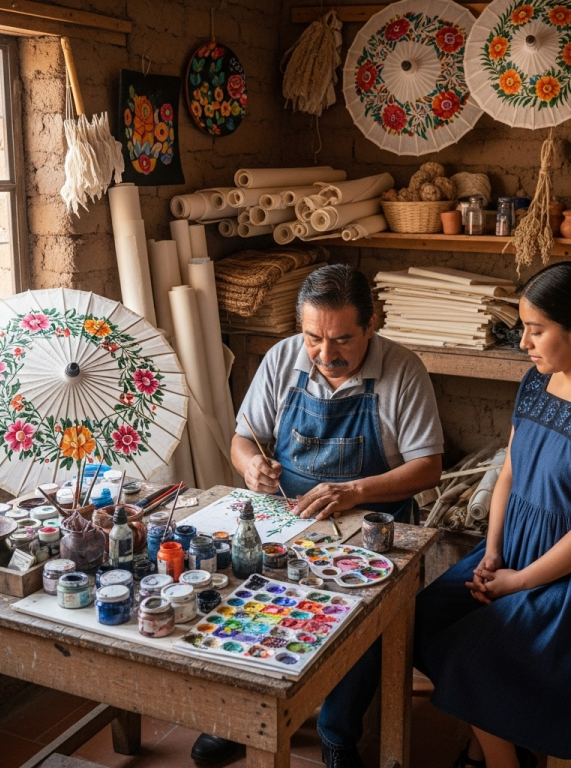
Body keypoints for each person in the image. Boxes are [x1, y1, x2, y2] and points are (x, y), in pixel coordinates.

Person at [414, 261, 571, 768]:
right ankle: (491, 746)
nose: (524, 341)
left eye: (536, 329)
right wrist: (491, 553)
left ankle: (497, 760)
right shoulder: (537, 380)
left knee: (474, 654)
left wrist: (516, 582)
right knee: (422, 619)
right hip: (519, 551)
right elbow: (509, 471)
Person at [191, 263, 443, 767]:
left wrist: (354, 491)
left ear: (372, 324)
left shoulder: (403, 370)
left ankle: (336, 732)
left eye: (343, 340)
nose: (327, 355)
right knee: (238, 593)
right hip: (285, 514)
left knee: (361, 610)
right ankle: (241, 718)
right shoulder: (282, 358)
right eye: (313, 339)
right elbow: (244, 438)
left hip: (370, 522)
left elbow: (428, 467)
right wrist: (251, 468)